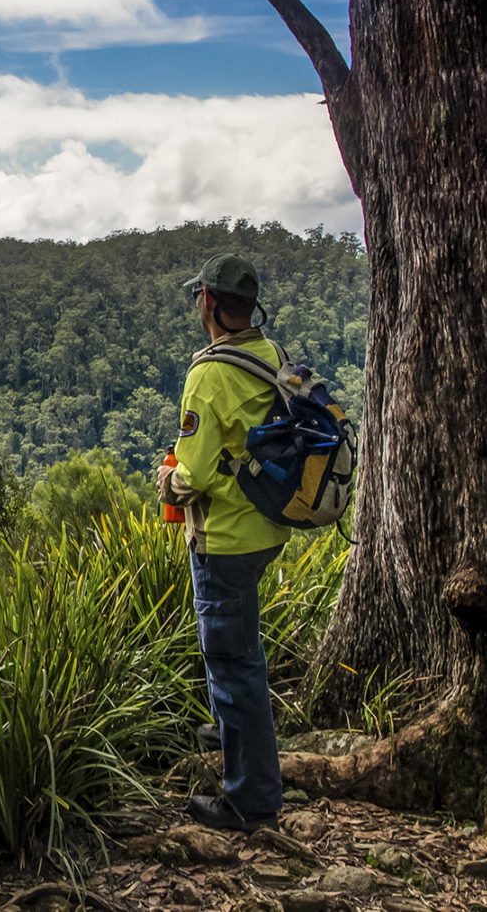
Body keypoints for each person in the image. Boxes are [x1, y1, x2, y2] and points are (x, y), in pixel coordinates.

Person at [155, 251, 290, 832]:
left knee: (233, 660)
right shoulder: (270, 354)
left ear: (208, 302)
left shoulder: (208, 375)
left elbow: (196, 476)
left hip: (225, 539)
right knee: (240, 643)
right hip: (267, 529)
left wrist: (167, 480)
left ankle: (251, 801)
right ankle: (226, 730)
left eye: (197, 298)